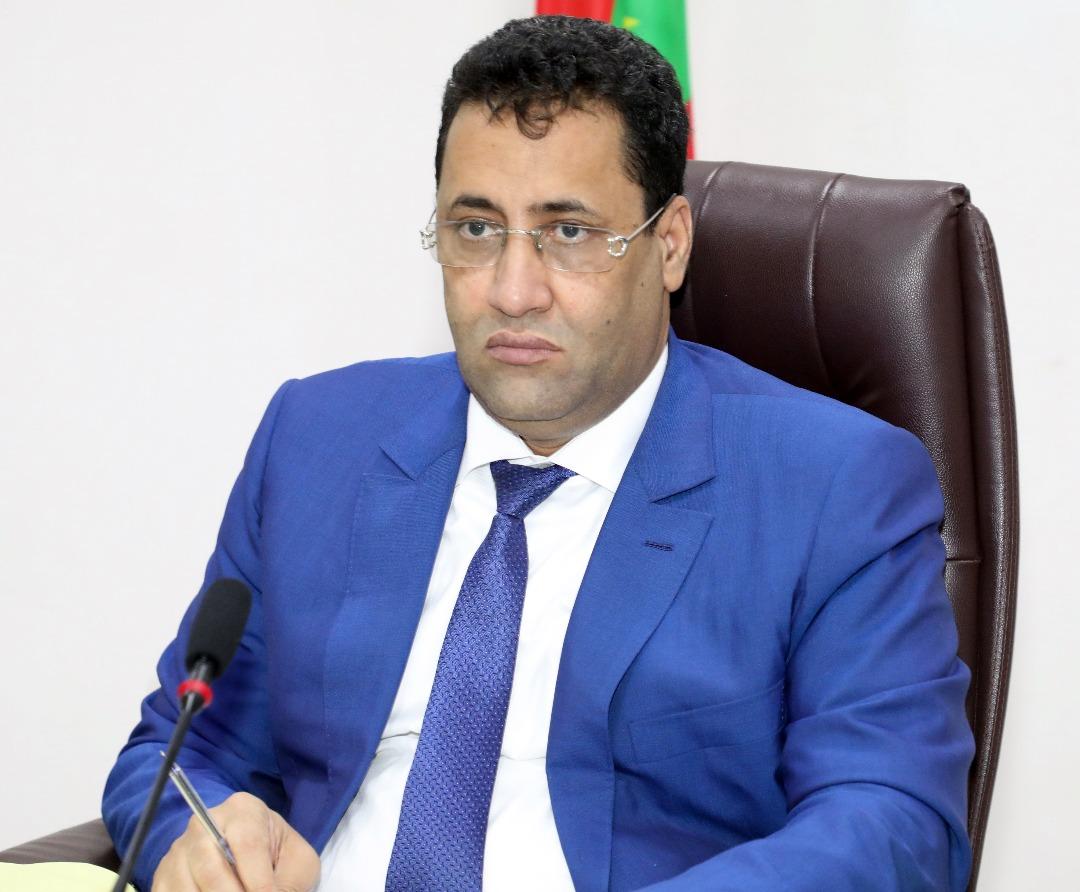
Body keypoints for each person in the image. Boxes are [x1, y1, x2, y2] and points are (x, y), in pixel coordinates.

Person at [103, 15, 975, 892]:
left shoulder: (834, 487)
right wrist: (202, 833)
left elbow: (893, 822)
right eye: (476, 230)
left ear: (670, 245)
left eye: (569, 233)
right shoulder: (318, 437)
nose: (512, 292)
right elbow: (181, 747)